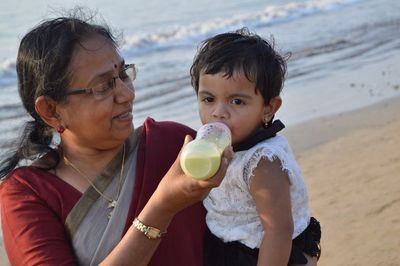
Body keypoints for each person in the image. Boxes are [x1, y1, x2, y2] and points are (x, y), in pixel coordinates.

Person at [0, 10, 232, 266]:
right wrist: (162, 207)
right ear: (51, 110)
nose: (126, 94)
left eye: (122, 74)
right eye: (103, 86)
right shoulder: (29, 194)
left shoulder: (175, 146)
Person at [189, 28, 321, 265]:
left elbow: (278, 231)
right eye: (208, 99)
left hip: (263, 253)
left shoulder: (261, 162)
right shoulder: (215, 147)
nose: (218, 112)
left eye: (237, 101)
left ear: (268, 108)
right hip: (224, 242)